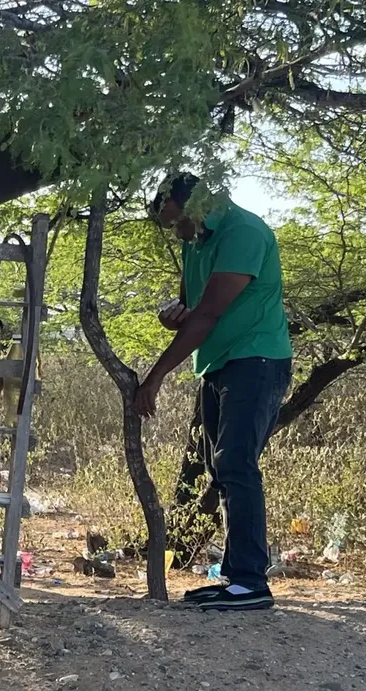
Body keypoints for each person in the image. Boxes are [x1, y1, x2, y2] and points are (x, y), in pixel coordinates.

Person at [136, 173, 293, 611]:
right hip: (219, 363)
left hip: (257, 359)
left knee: (235, 462)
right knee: (218, 464)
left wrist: (156, 376)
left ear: (197, 207)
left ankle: (250, 583)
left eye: (176, 221)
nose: (176, 231)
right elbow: (191, 307)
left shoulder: (243, 232)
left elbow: (206, 316)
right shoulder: (197, 240)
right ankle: (235, 578)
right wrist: (174, 314)